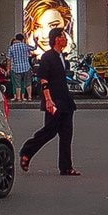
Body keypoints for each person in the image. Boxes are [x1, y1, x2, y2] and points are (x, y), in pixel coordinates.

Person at [20, 29, 79, 176]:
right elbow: (43, 80)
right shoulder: (47, 57)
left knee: (66, 135)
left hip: (66, 101)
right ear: (57, 39)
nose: (66, 39)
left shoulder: (61, 57)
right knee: (49, 131)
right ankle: (27, 151)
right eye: (63, 37)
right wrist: (48, 100)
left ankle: (66, 167)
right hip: (54, 101)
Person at [6, 32, 33, 102]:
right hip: (26, 67)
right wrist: (36, 42)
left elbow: (8, 59)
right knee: (28, 83)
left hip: (16, 68)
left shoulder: (11, 48)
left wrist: (8, 69)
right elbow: (34, 48)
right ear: (22, 39)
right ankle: (29, 97)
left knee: (17, 84)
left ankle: (18, 98)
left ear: (16, 39)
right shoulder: (25, 46)